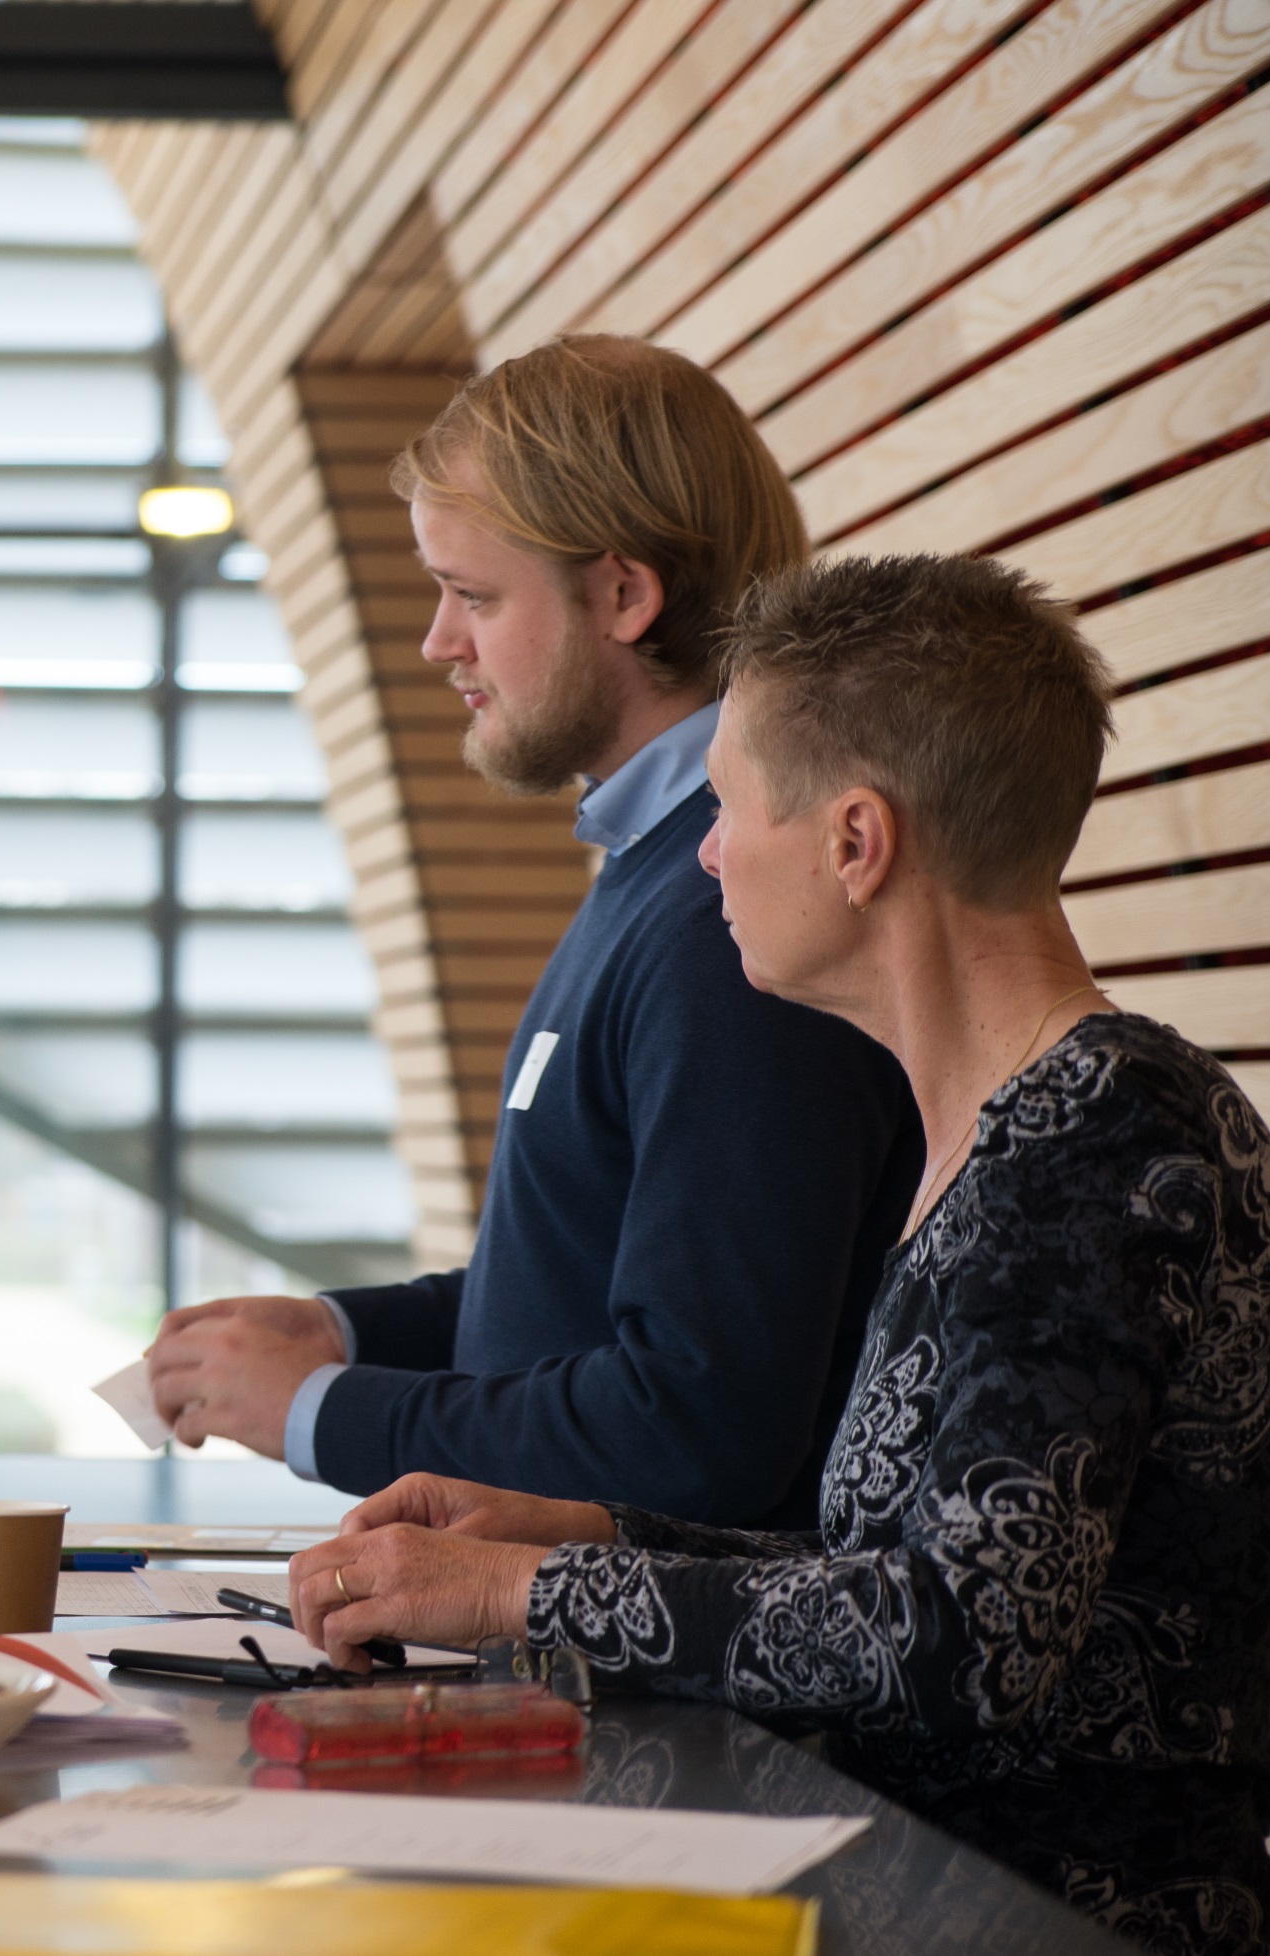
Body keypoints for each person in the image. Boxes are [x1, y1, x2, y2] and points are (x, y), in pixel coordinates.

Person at [288, 554, 1270, 1952]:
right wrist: (591, 1531)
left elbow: (964, 1634)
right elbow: (900, 1562)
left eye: (729, 808)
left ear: (854, 843)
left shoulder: (1100, 1137)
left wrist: (521, 1591)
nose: (704, 855)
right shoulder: (1017, 1130)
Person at [147, 336, 921, 1528]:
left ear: (622, 596)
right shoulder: (660, 868)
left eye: (473, 595)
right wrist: (343, 1335)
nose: (437, 642)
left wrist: (321, 1411)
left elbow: (693, 1427)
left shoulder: (732, 912)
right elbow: (574, 1298)